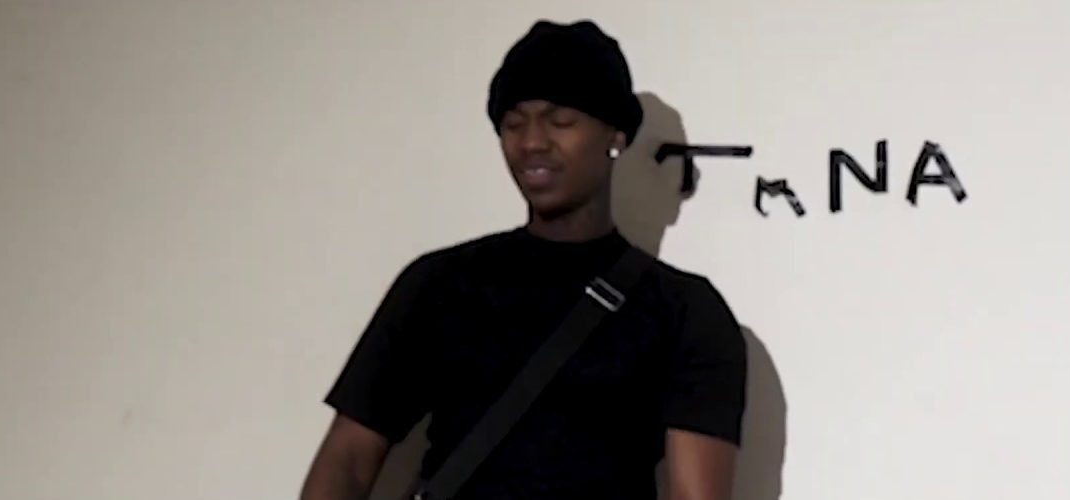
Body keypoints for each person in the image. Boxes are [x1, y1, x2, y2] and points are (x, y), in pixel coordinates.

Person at [299, 19, 747, 500]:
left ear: (615, 136)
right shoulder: (439, 284)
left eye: (561, 120)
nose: (532, 141)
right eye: (514, 123)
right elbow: (347, 459)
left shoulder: (685, 311)